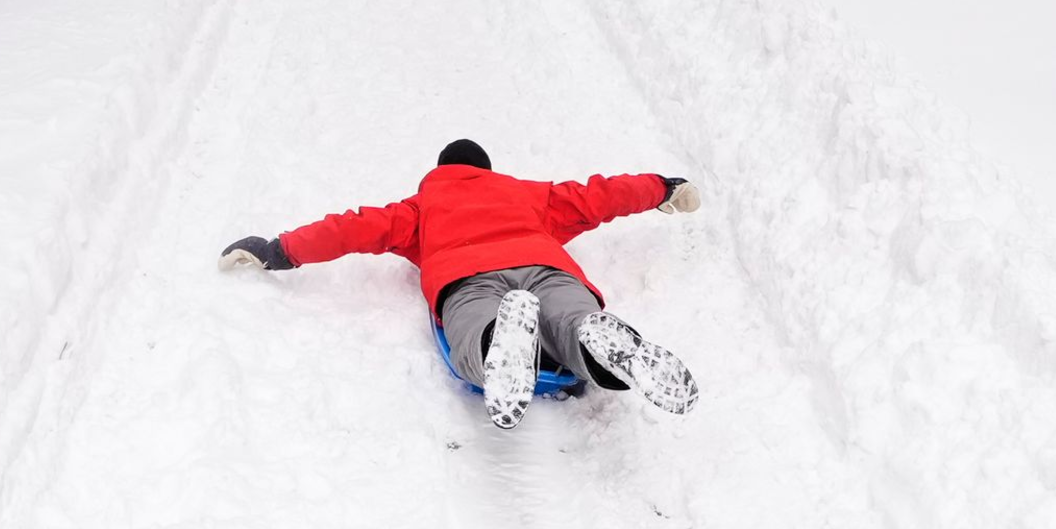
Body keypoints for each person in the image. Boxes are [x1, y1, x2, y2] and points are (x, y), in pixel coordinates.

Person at [221, 139, 701, 431]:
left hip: (466, 275)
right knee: (569, 314)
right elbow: (599, 195)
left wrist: (279, 250)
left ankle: (498, 342)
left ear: (439, 171)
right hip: (546, 267)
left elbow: (352, 227)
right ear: (486, 170)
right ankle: (593, 338)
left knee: (475, 327)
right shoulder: (529, 195)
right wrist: (663, 188)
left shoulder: (420, 207)